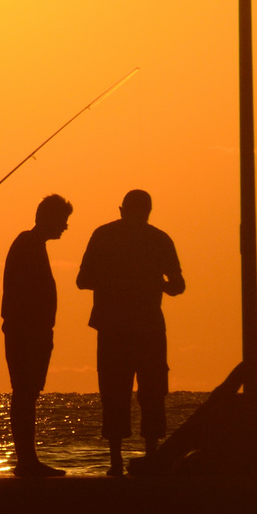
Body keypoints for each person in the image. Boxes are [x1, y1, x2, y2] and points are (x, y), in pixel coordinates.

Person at [76, 189, 185, 476]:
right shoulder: (160, 239)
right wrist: (152, 283)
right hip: (148, 326)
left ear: (122, 209)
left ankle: (115, 462)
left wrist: (114, 281)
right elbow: (178, 286)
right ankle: (150, 456)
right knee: (152, 392)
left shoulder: (103, 235)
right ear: (148, 211)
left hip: (112, 328)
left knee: (114, 392)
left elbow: (82, 280)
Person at [2, 193, 73, 478]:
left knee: (28, 393)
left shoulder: (32, 245)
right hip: (26, 333)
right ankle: (27, 461)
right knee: (25, 392)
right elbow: (23, 296)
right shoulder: (27, 245)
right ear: (49, 218)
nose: (65, 227)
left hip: (34, 332)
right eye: (63, 221)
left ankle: (28, 460)